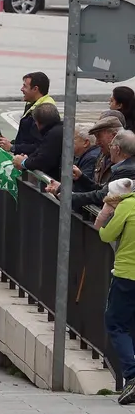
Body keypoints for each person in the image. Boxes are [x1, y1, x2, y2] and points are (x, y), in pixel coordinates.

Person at [95, 166, 135, 401]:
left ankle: (131, 375)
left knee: (116, 324)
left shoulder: (128, 206)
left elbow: (106, 235)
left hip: (127, 275)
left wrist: (105, 215)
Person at [0, 72, 55, 156]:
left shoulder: (44, 112)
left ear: (35, 89)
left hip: (32, 164)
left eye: (25, 86)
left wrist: (13, 147)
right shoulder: (32, 104)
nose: (21, 89)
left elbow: (40, 146)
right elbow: (28, 138)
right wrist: (11, 143)